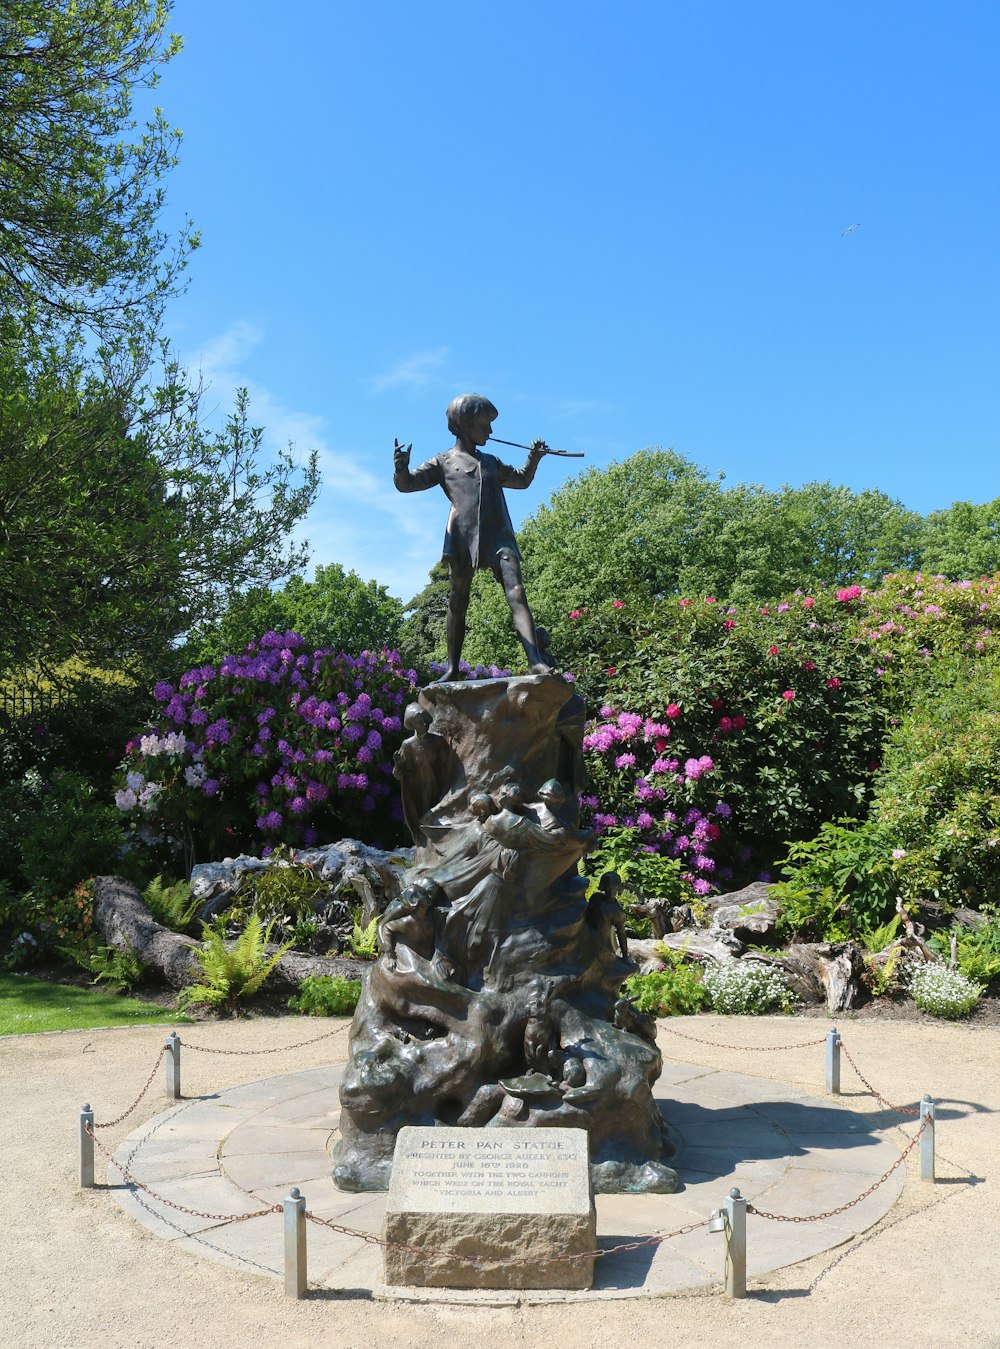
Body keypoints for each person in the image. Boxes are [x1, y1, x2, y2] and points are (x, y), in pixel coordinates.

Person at [393, 393, 555, 680]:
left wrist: (534, 459)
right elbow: (407, 485)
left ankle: (535, 661)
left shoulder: (491, 462)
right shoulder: (443, 462)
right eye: (485, 425)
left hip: (499, 535)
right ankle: (453, 668)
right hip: (462, 537)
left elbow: (521, 480)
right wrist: (400, 468)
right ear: (465, 425)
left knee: (517, 593)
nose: (490, 432)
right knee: (459, 599)